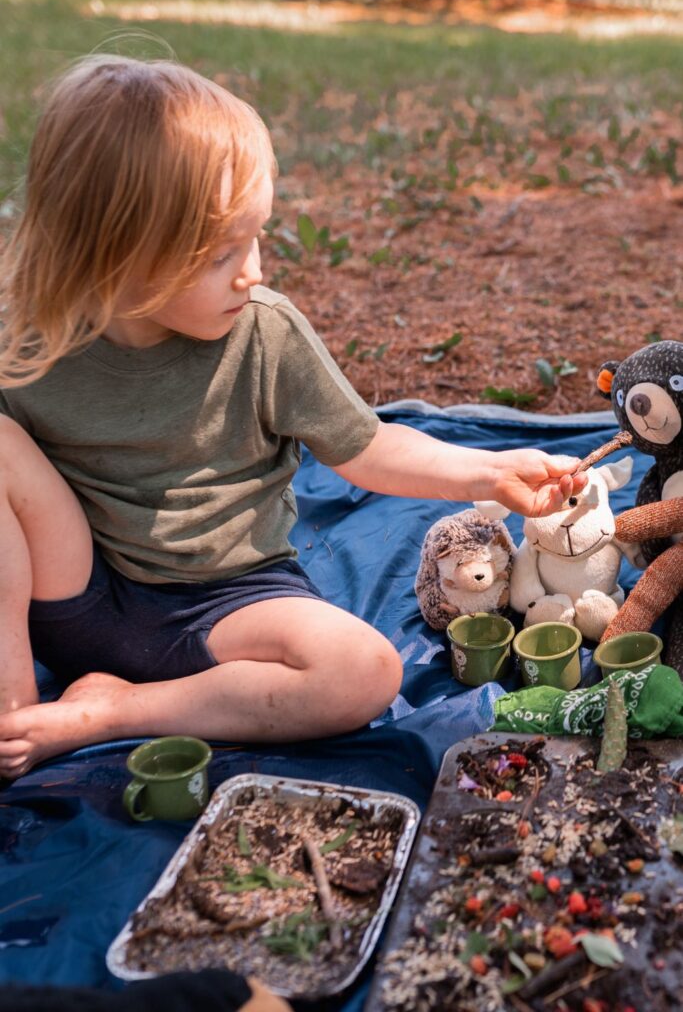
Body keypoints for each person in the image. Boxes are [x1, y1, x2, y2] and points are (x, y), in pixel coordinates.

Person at [0, 55, 587, 779]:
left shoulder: (263, 331)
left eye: (257, 237)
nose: (253, 270)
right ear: (115, 252)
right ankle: (15, 713)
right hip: (79, 595)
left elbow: (366, 450)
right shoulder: (31, 344)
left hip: (232, 608)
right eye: (221, 253)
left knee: (363, 671)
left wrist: (491, 470)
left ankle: (107, 711)